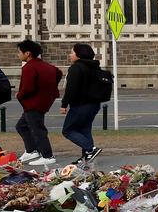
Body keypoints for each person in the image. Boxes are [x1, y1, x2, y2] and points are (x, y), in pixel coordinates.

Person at [15, 40, 62, 168]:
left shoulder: (29, 67)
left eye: (19, 52)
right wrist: (48, 88)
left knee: (37, 129)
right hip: (43, 101)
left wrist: (19, 95)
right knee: (21, 126)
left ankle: (47, 156)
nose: (18, 54)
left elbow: (27, 88)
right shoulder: (47, 66)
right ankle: (31, 150)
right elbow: (58, 73)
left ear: (28, 53)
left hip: (33, 103)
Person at [60, 43, 103, 165]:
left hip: (80, 104)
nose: (70, 55)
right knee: (84, 130)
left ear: (79, 55)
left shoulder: (76, 68)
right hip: (94, 104)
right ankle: (87, 158)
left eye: (72, 52)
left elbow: (71, 88)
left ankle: (91, 149)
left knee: (68, 130)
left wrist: (64, 104)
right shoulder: (95, 67)